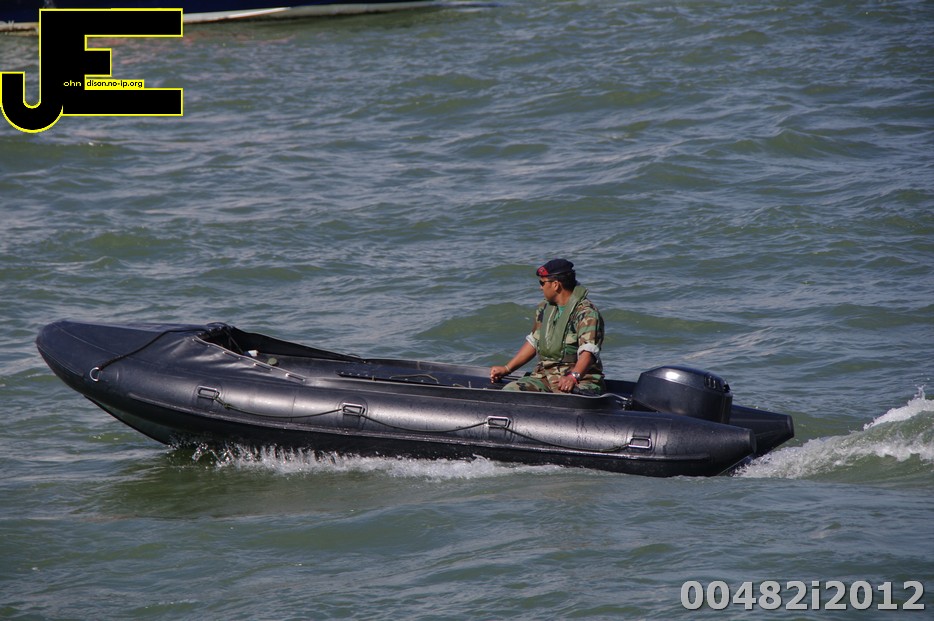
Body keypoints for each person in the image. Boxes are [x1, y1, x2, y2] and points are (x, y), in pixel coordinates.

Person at [490, 259, 605, 395]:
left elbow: (588, 352)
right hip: (545, 377)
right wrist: (507, 369)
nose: (540, 288)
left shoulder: (586, 313)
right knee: (511, 391)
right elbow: (534, 341)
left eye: (542, 283)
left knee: (567, 400)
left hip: (580, 380)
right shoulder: (544, 308)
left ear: (555, 285)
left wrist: (573, 377)